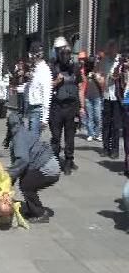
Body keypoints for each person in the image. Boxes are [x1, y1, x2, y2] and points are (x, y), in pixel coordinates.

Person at [6, 113, 60, 223]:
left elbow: (22, 160)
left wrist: (9, 176)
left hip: (48, 169)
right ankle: (32, 209)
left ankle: (40, 213)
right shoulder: (23, 131)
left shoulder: (18, 136)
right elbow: (20, 164)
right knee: (25, 180)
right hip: (51, 166)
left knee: (26, 184)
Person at [50, 45, 84, 175]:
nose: (66, 56)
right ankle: (55, 160)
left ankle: (69, 160)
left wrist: (82, 107)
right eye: (63, 53)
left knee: (70, 137)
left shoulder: (75, 68)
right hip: (57, 107)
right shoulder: (53, 67)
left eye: (68, 53)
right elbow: (47, 85)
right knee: (56, 137)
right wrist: (56, 81)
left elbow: (80, 87)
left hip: (71, 107)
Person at [99, 42, 122, 159]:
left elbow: (124, 77)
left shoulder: (121, 61)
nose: (110, 51)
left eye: (112, 49)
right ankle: (105, 148)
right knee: (106, 123)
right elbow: (101, 75)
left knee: (116, 124)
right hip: (107, 95)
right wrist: (102, 78)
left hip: (117, 96)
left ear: (116, 49)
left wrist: (118, 77)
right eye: (109, 49)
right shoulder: (105, 61)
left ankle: (115, 149)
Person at [25, 42, 52, 137]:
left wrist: (45, 118)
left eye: (31, 54)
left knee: (32, 141)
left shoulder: (44, 70)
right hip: (32, 108)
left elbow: (47, 94)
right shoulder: (35, 69)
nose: (29, 57)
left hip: (38, 109)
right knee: (31, 140)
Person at [83, 57, 103, 142]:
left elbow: (101, 83)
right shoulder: (86, 72)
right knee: (89, 117)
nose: (93, 65)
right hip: (88, 97)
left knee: (97, 117)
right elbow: (83, 85)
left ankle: (98, 134)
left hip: (97, 97)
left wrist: (94, 76)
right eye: (91, 63)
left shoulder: (99, 72)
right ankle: (90, 134)